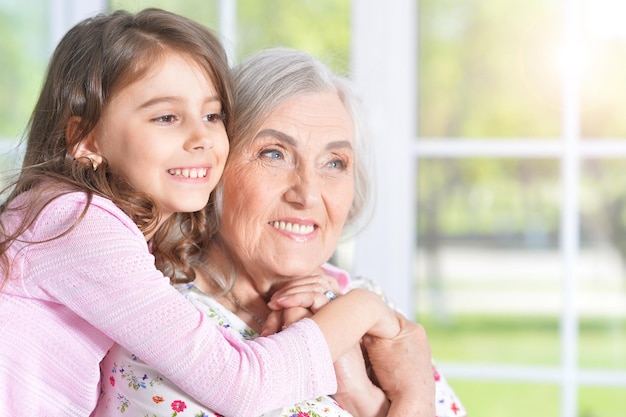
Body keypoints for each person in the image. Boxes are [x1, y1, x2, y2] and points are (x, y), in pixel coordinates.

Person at [0, 9, 420, 417]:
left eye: (212, 115)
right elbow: (242, 386)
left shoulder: (86, 226)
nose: (201, 137)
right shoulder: (78, 224)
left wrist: (388, 388)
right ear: (86, 139)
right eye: (167, 117)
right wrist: (363, 309)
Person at [94, 48, 465, 417]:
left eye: (335, 162)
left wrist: (361, 394)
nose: (307, 194)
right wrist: (408, 401)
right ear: (211, 166)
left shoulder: (365, 304)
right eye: (274, 154)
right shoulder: (160, 331)